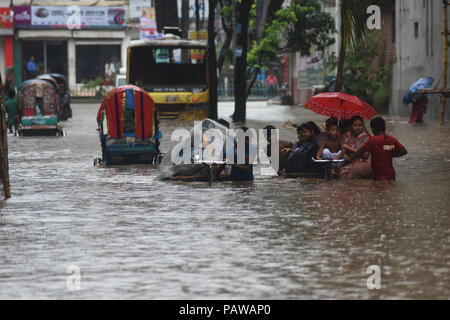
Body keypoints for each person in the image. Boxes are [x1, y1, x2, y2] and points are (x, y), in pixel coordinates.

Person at [349, 117, 407, 182]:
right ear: (384, 128)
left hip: (379, 176)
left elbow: (359, 152)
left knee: (377, 191)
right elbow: (404, 151)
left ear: (373, 129)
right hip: (391, 176)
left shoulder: (373, 140)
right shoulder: (392, 139)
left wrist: (349, 159)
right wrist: (388, 153)